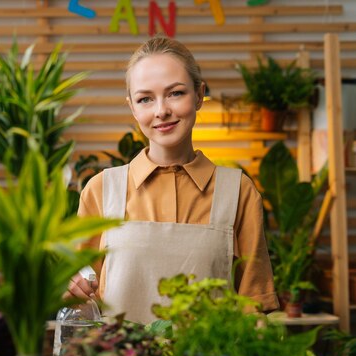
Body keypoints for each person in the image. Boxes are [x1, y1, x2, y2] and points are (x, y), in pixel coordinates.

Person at [67, 36, 278, 324]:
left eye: (175, 93)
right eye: (145, 99)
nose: (161, 110)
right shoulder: (101, 191)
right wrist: (71, 286)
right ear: (132, 108)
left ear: (200, 94)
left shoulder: (238, 192)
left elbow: (253, 307)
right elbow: (81, 299)